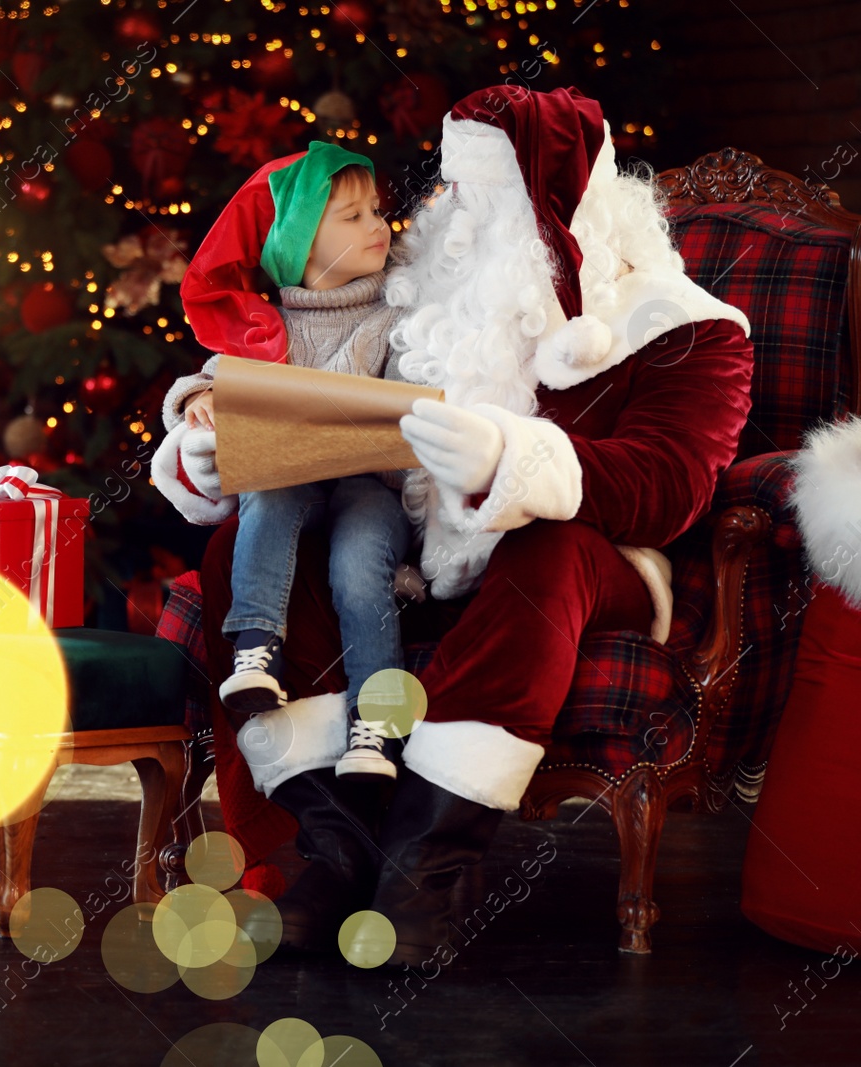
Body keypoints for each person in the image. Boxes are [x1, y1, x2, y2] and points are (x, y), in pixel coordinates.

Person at [163, 85, 755, 964]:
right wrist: (217, 453)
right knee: (237, 547)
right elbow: (320, 411)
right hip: (410, 556)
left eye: (484, 198)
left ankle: (426, 866)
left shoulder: (682, 327)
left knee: (547, 550)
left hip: (601, 567)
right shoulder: (418, 305)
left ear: (552, 206)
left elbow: (671, 484)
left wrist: (511, 462)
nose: (450, 215)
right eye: (453, 191)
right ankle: (333, 849)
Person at [152, 141, 416, 783]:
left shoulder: (396, 314)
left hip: (366, 486)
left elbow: (419, 395)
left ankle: (378, 728)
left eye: (377, 211)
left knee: (359, 562)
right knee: (267, 496)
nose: (378, 226)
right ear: (298, 244)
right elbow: (203, 381)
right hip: (293, 480)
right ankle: (255, 653)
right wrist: (201, 397)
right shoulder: (266, 327)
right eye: (352, 218)